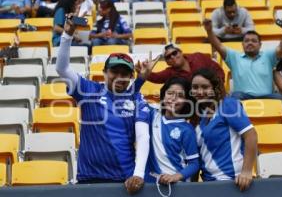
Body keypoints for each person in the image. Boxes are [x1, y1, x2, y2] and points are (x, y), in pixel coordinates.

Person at [55, 17, 150, 194]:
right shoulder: (88, 89)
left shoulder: (138, 98)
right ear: (104, 72)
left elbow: (143, 137)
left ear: (131, 77)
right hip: (89, 178)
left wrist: (138, 174)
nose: (119, 77)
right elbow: (62, 69)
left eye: (125, 73)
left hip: (125, 180)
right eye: (114, 71)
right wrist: (67, 35)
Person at [190, 68, 257, 191]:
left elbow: (251, 135)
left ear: (215, 88)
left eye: (205, 87)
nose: (199, 91)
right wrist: (192, 186)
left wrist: (246, 172)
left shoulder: (228, 104)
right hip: (209, 183)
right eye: (195, 87)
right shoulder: (198, 115)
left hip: (233, 182)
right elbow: (199, 156)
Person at [204, 19, 282, 100]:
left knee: (279, 97)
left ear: (260, 45)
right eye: (247, 41)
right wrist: (209, 31)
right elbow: (218, 45)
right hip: (243, 97)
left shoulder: (268, 56)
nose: (250, 43)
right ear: (242, 44)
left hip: (266, 97)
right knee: (236, 95)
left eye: (254, 41)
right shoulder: (234, 57)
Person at [143, 77, 199, 184]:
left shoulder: (187, 130)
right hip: (150, 183)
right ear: (163, 95)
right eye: (170, 93)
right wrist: (142, 77)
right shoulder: (152, 115)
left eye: (180, 96)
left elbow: (194, 164)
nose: (173, 98)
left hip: (177, 186)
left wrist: (175, 177)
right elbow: (132, 96)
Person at [137, 44, 225, 84]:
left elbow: (217, 69)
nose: (172, 57)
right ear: (167, 63)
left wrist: (217, 86)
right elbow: (156, 77)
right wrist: (144, 72)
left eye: (174, 53)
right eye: (168, 57)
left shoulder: (198, 57)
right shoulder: (170, 73)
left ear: (181, 52)